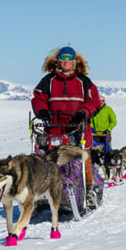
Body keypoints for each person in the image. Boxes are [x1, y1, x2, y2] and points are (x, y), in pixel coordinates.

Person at [31, 45, 101, 185]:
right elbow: (38, 99)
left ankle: (88, 189)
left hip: (78, 128)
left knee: (83, 159)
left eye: (70, 59)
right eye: (63, 58)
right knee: (47, 160)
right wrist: (42, 111)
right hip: (53, 129)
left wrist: (83, 113)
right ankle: (45, 190)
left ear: (75, 62)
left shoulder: (83, 81)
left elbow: (94, 101)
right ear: (58, 61)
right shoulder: (48, 81)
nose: (66, 61)